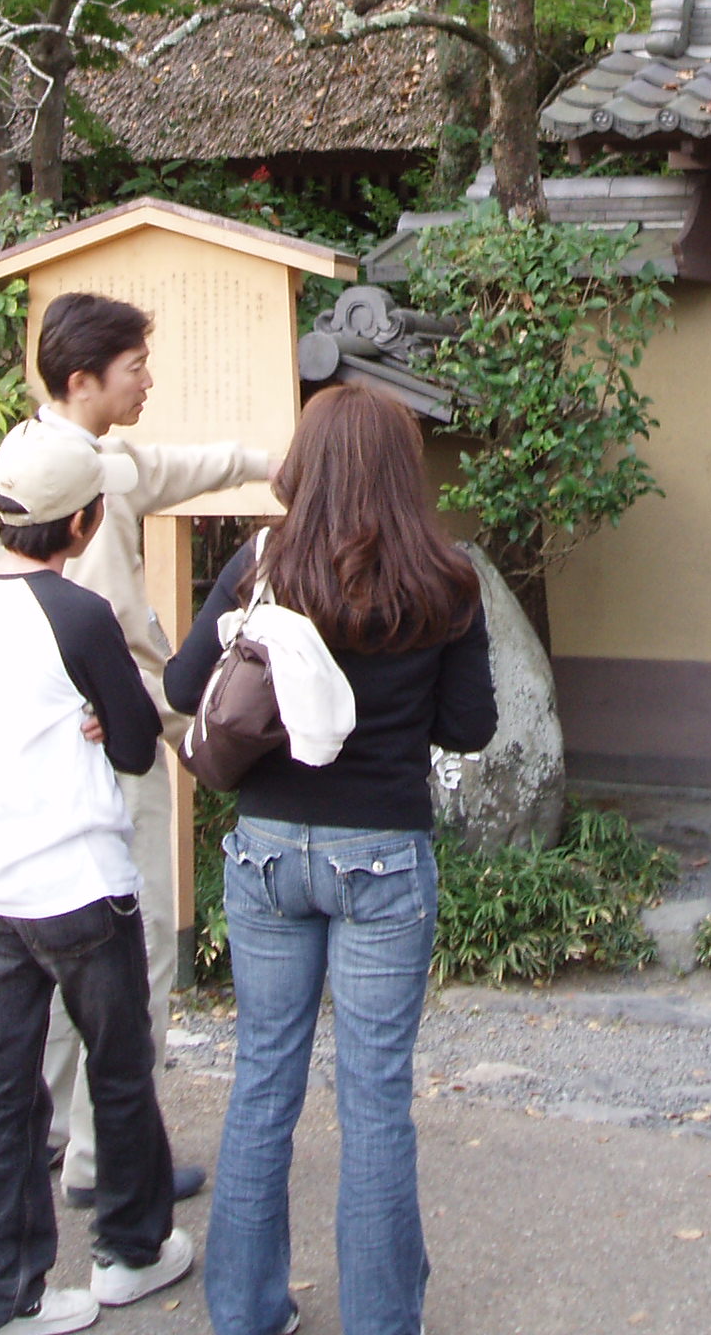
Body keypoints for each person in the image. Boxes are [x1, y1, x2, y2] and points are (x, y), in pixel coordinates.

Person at [166, 385, 494, 1335]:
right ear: (404, 470)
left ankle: (245, 1310)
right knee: (376, 1095)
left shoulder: (262, 565)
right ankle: (385, 1320)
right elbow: (471, 727)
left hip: (267, 852)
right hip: (383, 857)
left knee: (263, 1077)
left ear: (304, 464)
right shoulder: (446, 576)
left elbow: (191, 685)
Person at [0, 422, 193, 1335]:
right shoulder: (81, 614)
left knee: (2, 1088)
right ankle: (130, 1249)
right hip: (81, 885)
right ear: (86, 523)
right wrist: (102, 706)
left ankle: (0, 1293)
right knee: (119, 1067)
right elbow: (136, 743)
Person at [34, 291, 272, 1208]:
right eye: (135, 367)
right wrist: (177, 722)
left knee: (59, 948)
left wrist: (261, 460)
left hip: (55, 752)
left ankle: (57, 1133)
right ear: (84, 378)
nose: (149, 380)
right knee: (139, 950)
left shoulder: (52, 460)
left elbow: (166, 468)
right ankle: (111, 1160)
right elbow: (103, 638)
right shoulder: (91, 489)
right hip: (114, 742)